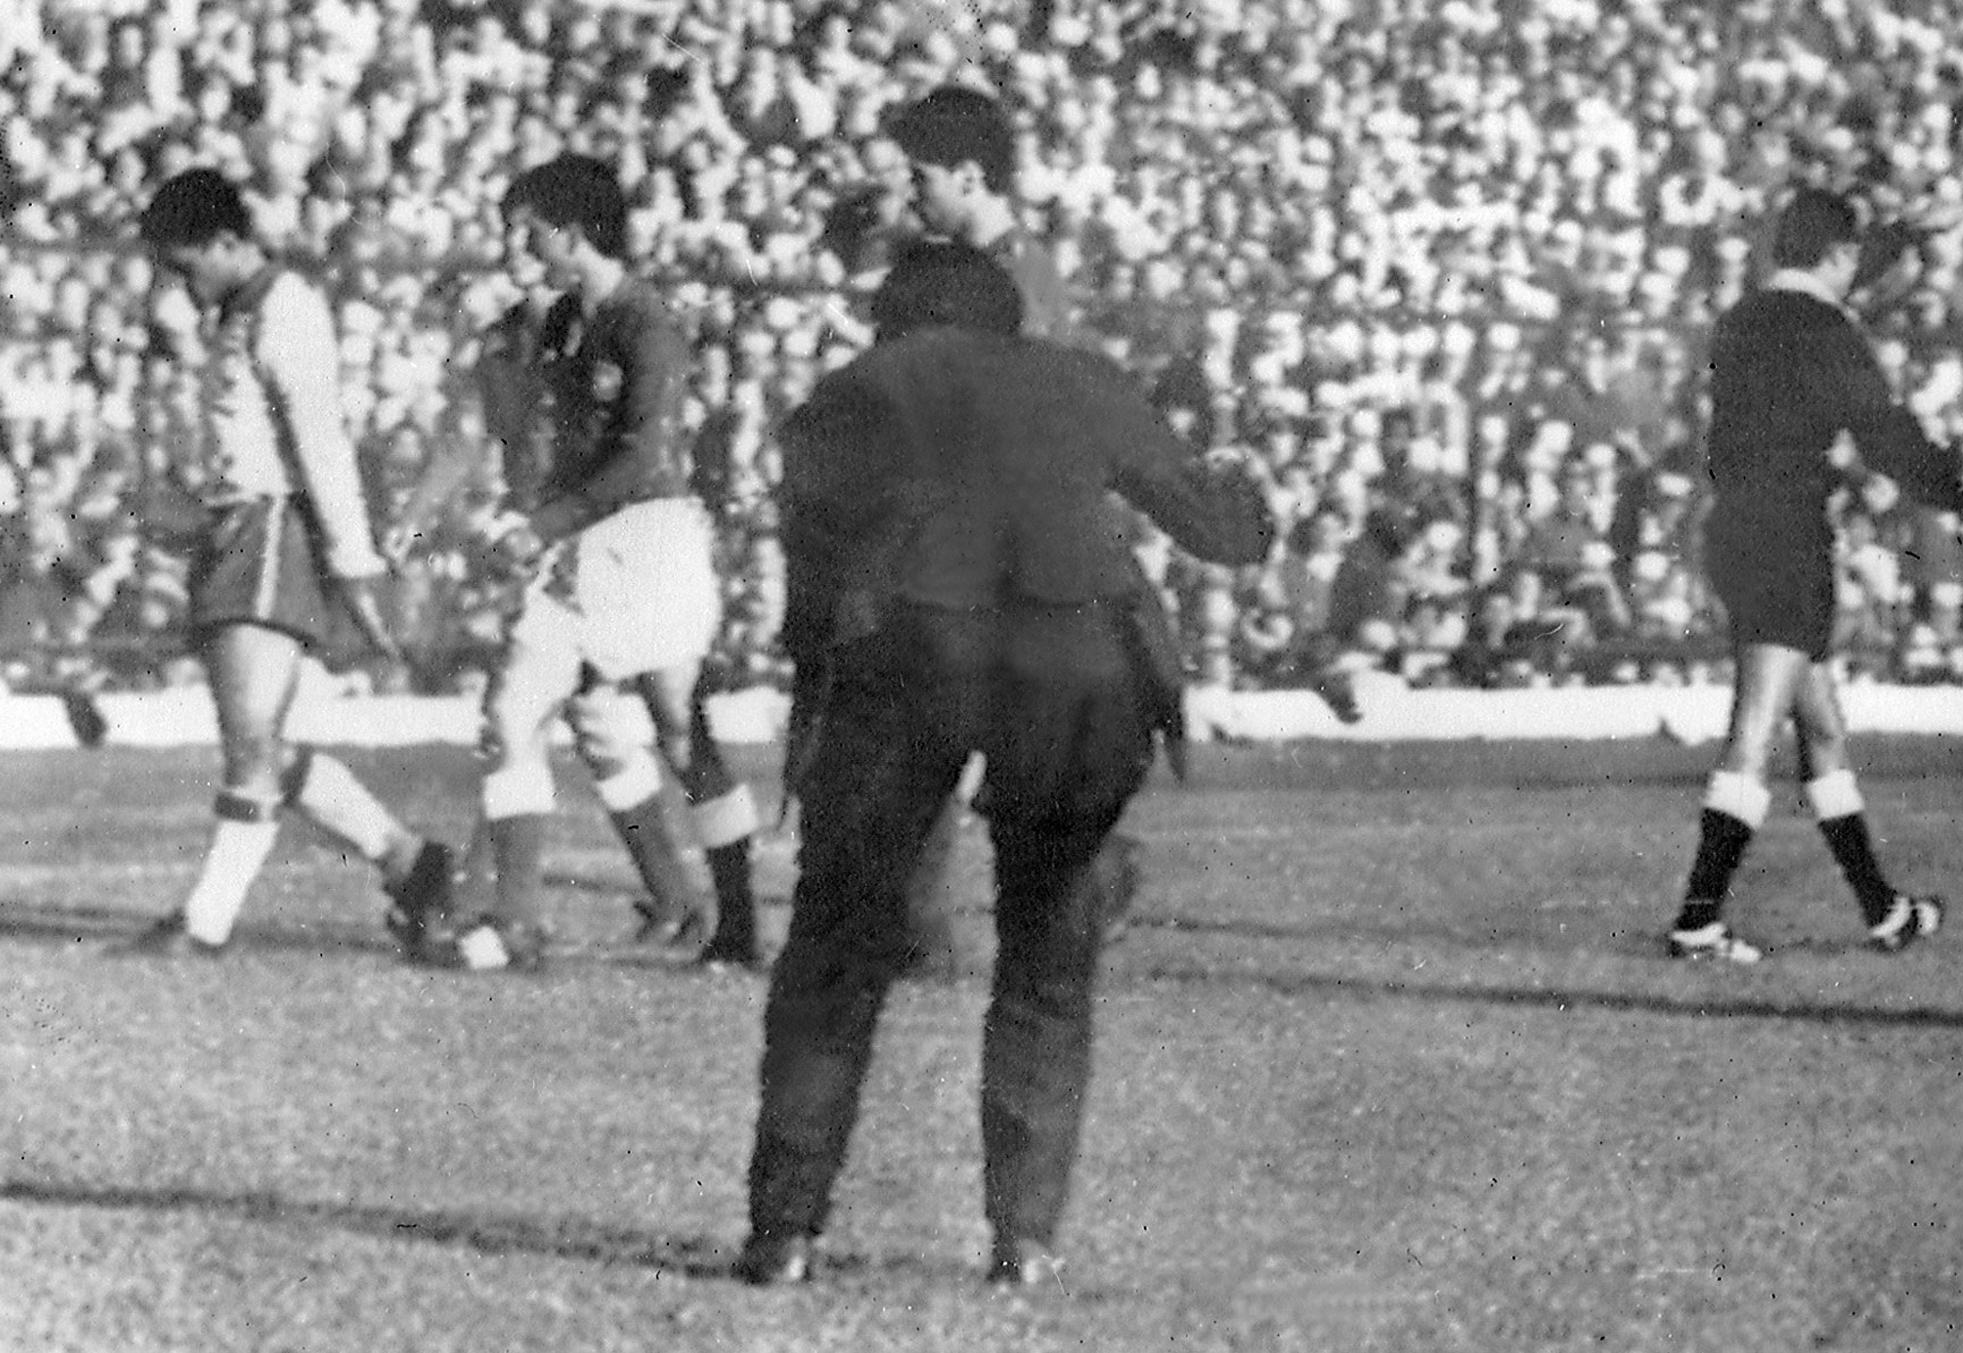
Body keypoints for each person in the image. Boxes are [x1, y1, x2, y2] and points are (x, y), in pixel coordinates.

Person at [735, 241, 1273, 1287]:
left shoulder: (853, 390)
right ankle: (1023, 1238)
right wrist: (1249, 490)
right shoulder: (1076, 376)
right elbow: (1219, 531)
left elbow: (812, 574)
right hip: (1071, 663)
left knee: (837, 946)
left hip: (908, 650)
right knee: (1046, 953)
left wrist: (819, 725)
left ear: (894, 319)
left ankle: (784, 1231)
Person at [397, 155, 735, 972]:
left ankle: (688, 911)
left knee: (667, 724)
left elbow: (641, 456)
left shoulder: (639, 321)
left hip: (640, 540)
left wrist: (538, 523)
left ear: (573, 235)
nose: (514, 244)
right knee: (568, 718)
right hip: (583, 545)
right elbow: (500, 432)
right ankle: (655, 904)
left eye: (528, 230)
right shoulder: (549, 326)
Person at [116, 167, 454, 957]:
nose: (180, 282)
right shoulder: (238, 310)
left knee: (248, 741)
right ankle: (412, 861)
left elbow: (321, 444)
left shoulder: (284, 307)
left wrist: (354, 563)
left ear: (230, 243)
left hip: (270, 532)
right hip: (238, 529)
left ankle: (204, 922)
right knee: (263, 741)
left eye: (186, 262)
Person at [1668, 187, 1963, 963]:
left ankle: (1886, 912)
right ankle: (1697, 921)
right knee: (1754, 734)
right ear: (1839, 257)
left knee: (1823, 729)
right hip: (1785, 536)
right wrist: (1957, 496)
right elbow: (1886, 433)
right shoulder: (1828, 329)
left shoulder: (1741, 319)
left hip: (1734, 529)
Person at [875, 84, 1137, 976]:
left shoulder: (1012, 280)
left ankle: (930, 931)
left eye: (920, 175)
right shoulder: (979, 268)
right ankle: (932, 928)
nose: (909, 192)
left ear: (970, 174)